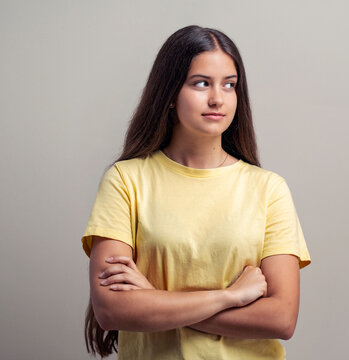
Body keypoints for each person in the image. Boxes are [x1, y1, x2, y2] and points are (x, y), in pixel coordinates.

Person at [81, 25, 311, 359]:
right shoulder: (125, 181)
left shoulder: (268, 189)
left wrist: (154, 298)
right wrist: (229, 297)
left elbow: (281, 318)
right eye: (201, 83)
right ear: (170, 93)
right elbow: (112, 311)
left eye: (229, 85)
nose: (217, 98)